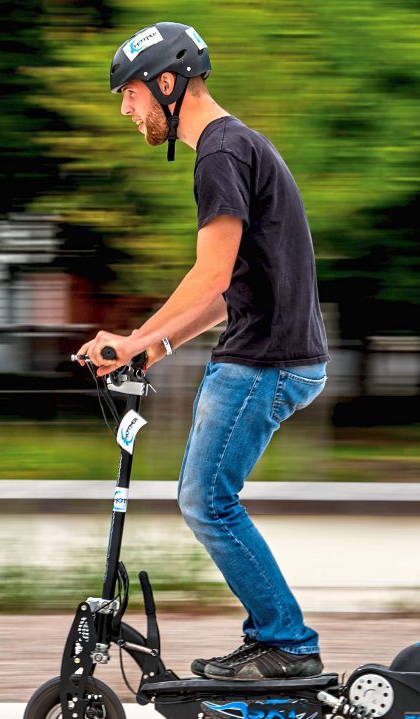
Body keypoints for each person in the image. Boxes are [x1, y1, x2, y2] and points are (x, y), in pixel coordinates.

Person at [77, 22, 330, 682]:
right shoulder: (237, 147)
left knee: (205, 501)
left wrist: (129, 340)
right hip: (272, 353)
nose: (126, 110)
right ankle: (277, 638)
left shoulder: (220, 153)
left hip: (263, 361)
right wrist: (154, 348)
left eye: (129, 94)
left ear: (167, 84)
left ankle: (286, 643)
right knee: (209, 498)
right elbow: (229, 294)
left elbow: (211, 278)